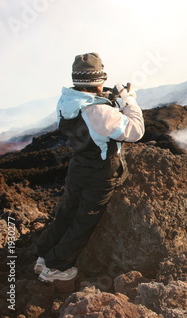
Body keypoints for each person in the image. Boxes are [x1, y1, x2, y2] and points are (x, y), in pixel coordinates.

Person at [34, 52, 145, 282]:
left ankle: (44, 256)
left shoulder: (67, 102)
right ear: (98, 79)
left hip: (78, 167)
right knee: (84, 221)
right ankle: (55, 267)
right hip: (100, 172)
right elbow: (135, 131)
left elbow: (90, 110)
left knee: (66, 212)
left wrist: (108, 98)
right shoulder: (100, 112)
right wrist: (129, 102)